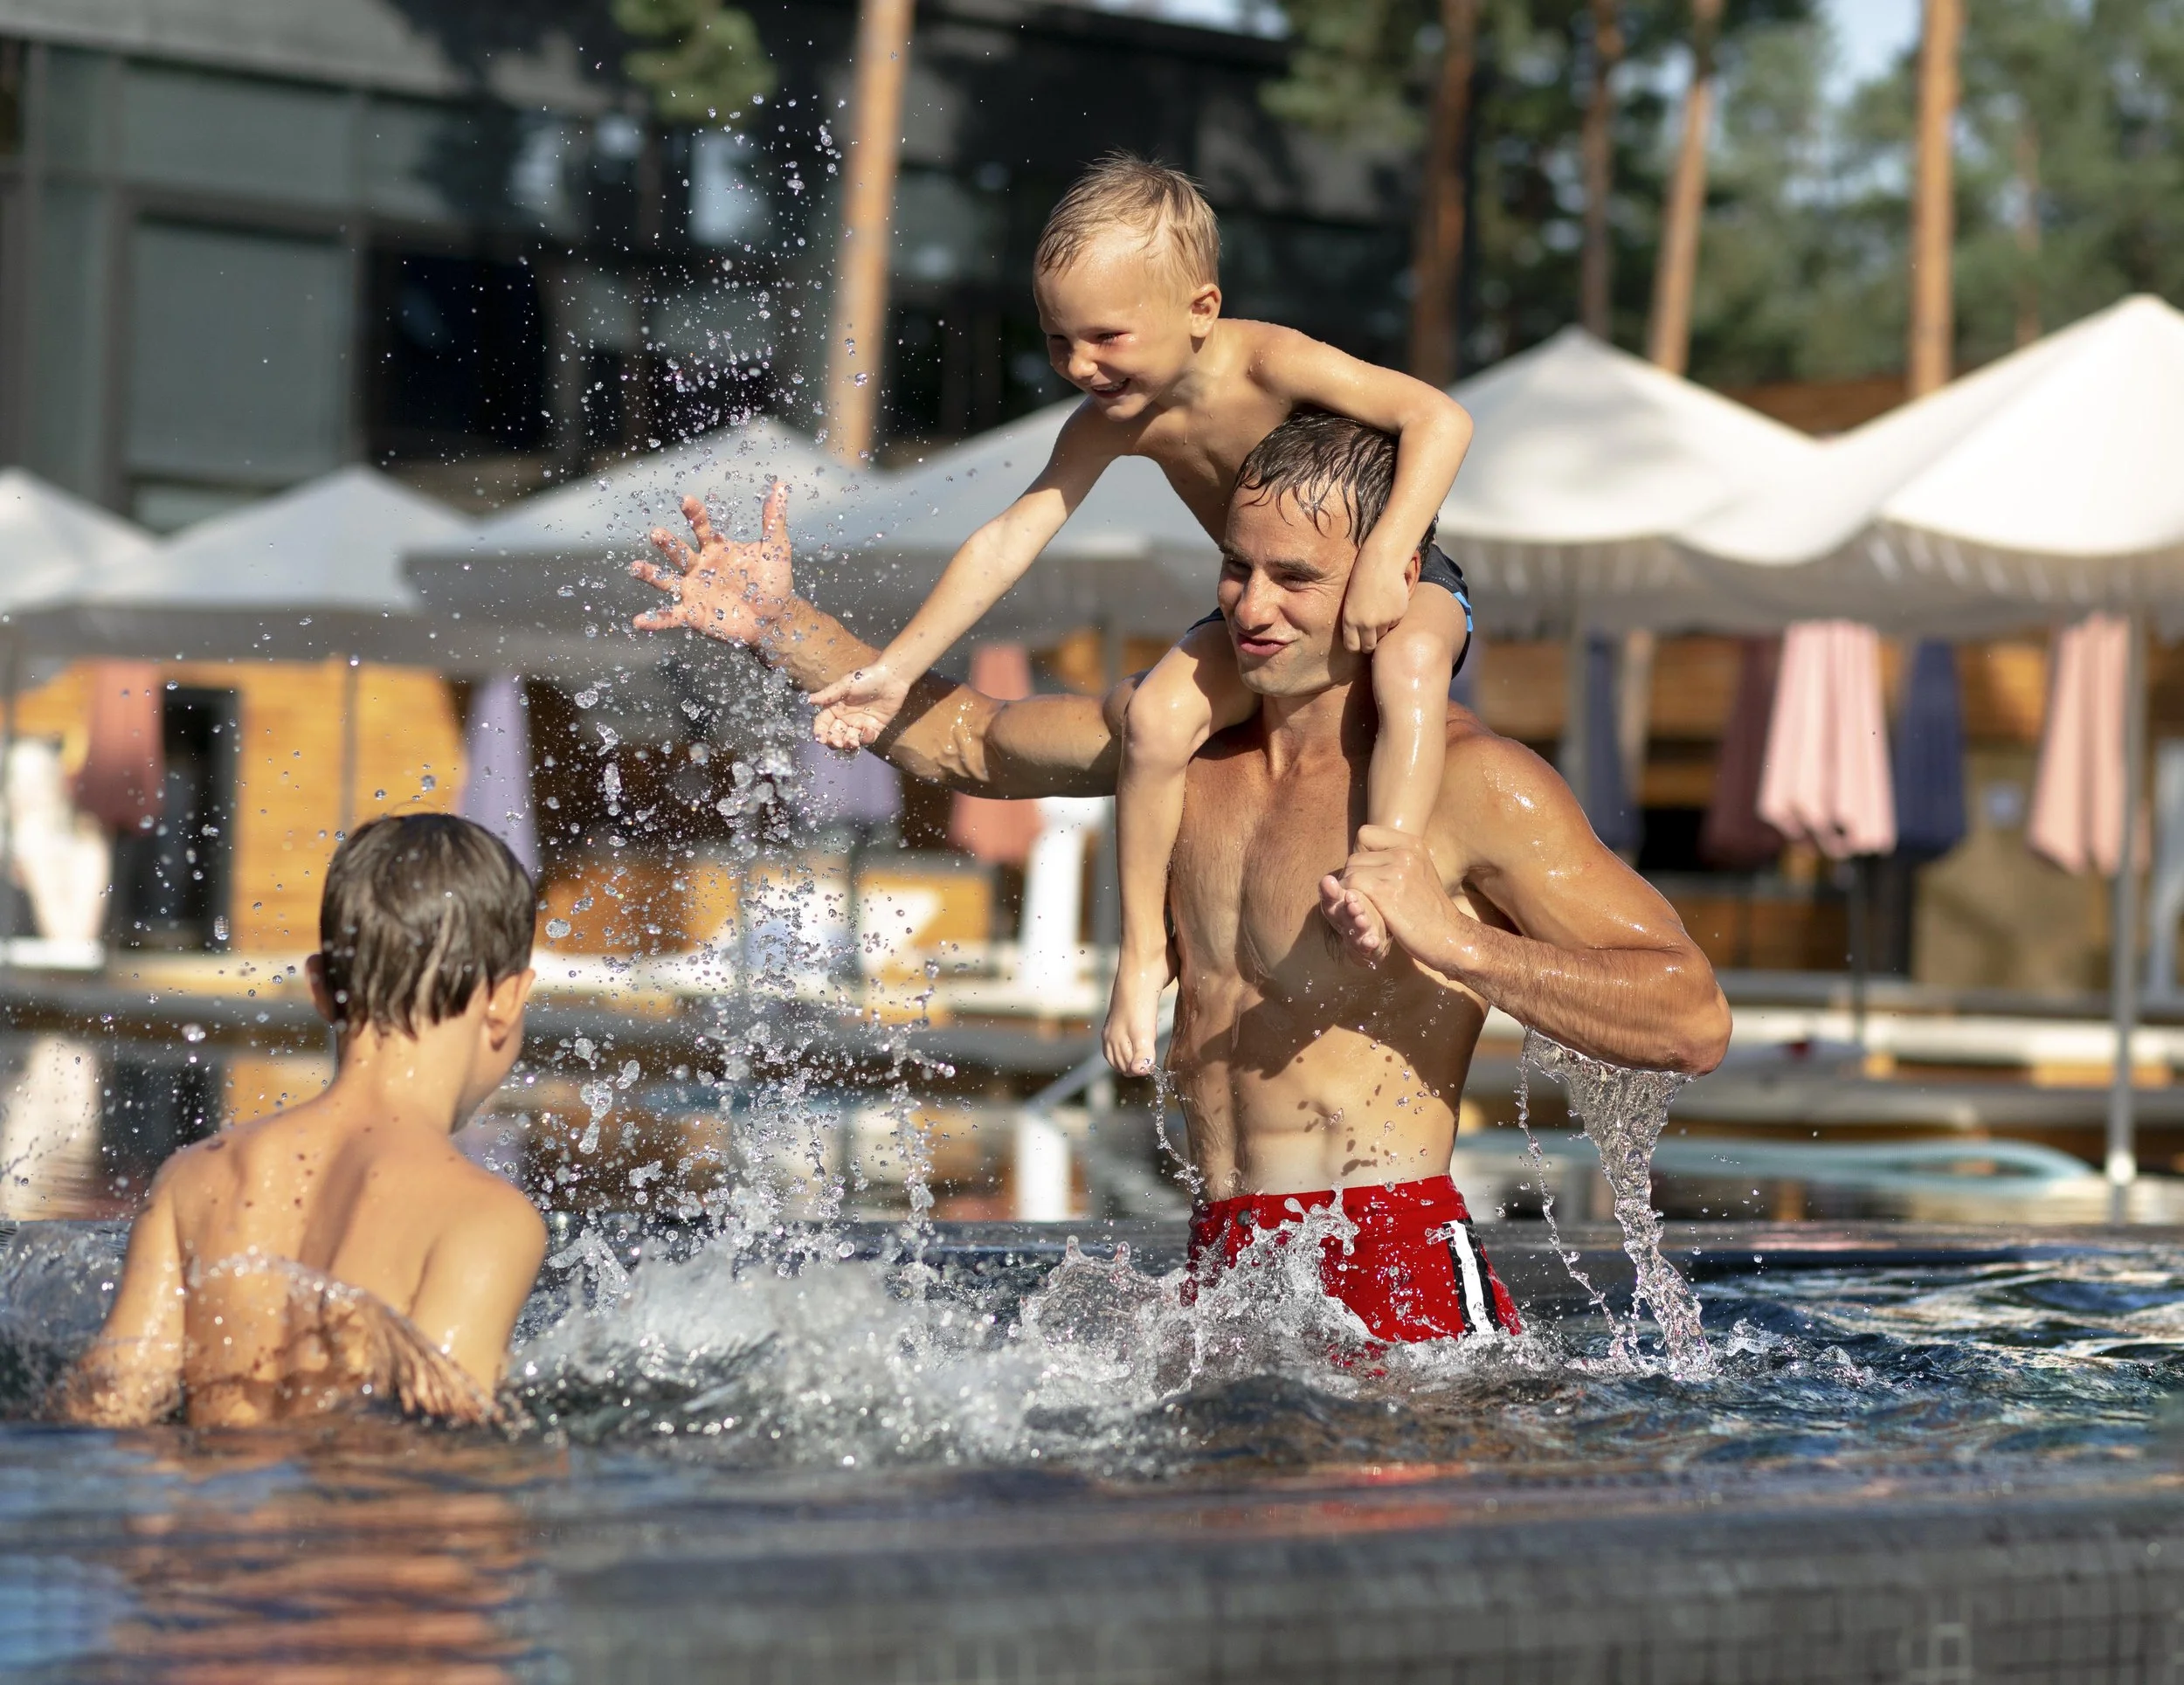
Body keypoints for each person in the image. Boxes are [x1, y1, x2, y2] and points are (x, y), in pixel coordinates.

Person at [630, 412, 1731, 1347]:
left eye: (1296, 579)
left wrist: (1456, 941)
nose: (1252, 608)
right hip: (1224, 1265)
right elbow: (963, 739)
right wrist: (779, 624)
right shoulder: (1182, 747)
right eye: (1238, 568)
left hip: (1394, 1269)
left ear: (1392, 582)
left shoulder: (1471, 785)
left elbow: (1689, 1015)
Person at [804, 155, 1476, 1084]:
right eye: (1056, 340)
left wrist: (1386, 561)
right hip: (1261, 613)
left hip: (1397, 580)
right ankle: (1140, 956)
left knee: (1407, 669)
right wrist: (896, 665)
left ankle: (1387, 874)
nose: (1081, 365)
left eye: (1107, 337)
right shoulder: (1112, 420)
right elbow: (1012, 535)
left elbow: (1437, 418)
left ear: (1199, 309)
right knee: (1156, 720)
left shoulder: (1274, 363)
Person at [60, 814, 547, 1426]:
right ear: (507, 999)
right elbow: (442, 1461)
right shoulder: (484, 1219)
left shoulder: (194, 1178)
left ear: (318, 986)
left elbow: (107, 1405)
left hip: (204, 1510)